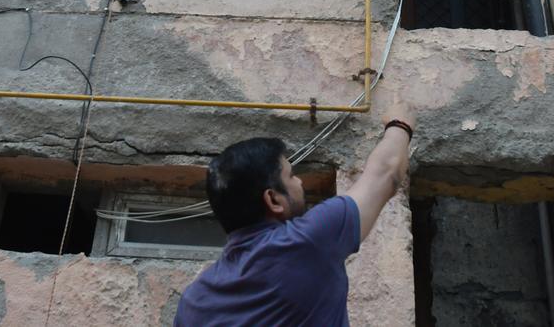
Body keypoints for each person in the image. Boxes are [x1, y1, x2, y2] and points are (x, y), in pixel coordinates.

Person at [174, 103, 416, 326]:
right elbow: (387, 174)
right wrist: (400, 124)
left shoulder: (193, 302)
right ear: (273, 200)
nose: (299, 182)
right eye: (291, 175)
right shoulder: (305, 242)